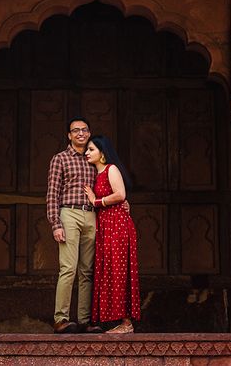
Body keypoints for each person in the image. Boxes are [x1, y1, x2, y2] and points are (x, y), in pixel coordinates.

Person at [46, 117, 101, 334]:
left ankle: (85, 320)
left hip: (91, 215)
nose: (80, 133)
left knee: (87, 270)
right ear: (69, 135)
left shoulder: (94, 157)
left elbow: (107, 181)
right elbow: (52, 193)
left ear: (89, 133)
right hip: (68, 213)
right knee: (68, 268)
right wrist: (55, 224)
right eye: (75, 130)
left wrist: (122, 199)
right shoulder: (60, 159)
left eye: (84, 130)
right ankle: (61, 319)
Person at [83, 135, 141, 334]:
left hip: (117, 225)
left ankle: (127, 323)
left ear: (102, 154)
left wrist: (96, 201)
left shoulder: (111, 169)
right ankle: (119, 321)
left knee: (119, 270)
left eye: (91, 149)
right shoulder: (96, 174)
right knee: (109, 270)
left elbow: (120, 195)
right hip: (106, 226)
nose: (87, 153)